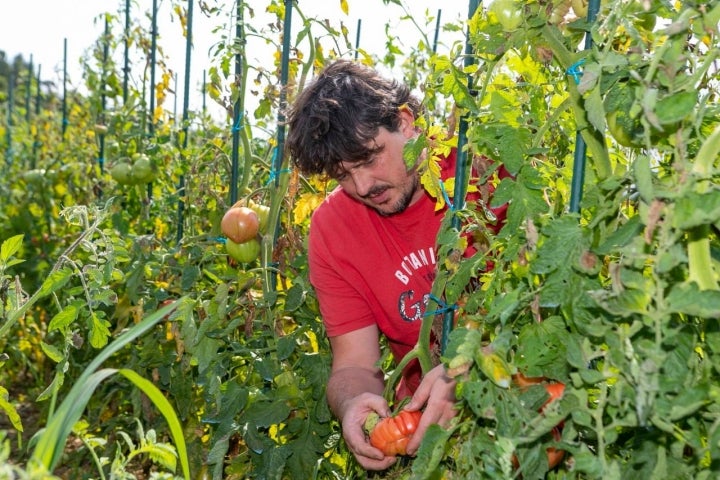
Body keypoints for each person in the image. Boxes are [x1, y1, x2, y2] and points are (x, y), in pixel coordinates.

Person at [285, 59, 507, 471]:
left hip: (526, 408)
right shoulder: (335, 229)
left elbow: (551, 315)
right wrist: (353, 404)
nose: (363, 187)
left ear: (406, 123)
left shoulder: (487, 171)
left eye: (369, 158)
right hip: (429, 435)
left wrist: (471, 369)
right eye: (342, 176)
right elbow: (353, 364)